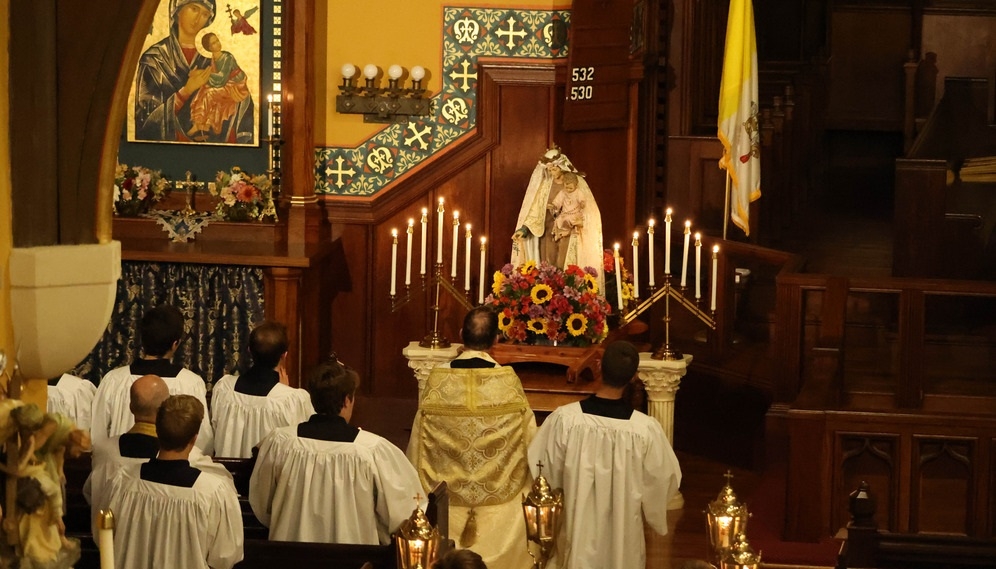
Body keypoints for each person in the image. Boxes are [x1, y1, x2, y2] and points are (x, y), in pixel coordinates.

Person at [527, 341, 682, 569]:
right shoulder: (645, 430)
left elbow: (542, 471)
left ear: (599, 368)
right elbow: (664, 481)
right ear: (633, 378)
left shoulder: (566, 420)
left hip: (576, 526)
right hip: (624, 534)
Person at [407, 306, 536, 569]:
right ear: (497, 340)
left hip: (447, 512)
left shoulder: (438, 382)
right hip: (500, 516)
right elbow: (530, 442)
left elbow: (418, 446)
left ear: (460, 335)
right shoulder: (508, 383)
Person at [249, 356, 423, 544]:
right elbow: (406, 516)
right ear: (348, 400)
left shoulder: (280, 442)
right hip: (354, 559)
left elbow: (262, 502)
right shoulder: (373, 450)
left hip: (291, 556)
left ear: (313, 398)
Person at [100, 395, 243, 569]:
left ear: (157, 431)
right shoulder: (213, 492)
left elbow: (102, 536)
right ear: (194, 438)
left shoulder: (122, 481)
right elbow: (224, 557)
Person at [85, 374, 229, 509]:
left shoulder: (103, 451)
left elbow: (93, 496)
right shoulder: (188, 455)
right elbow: (225, 492)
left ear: (131, 407)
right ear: (164, 410)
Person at [90, 304, 214, 455]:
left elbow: (96, 437)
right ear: (175, 344)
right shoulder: (190, 383)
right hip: (169, 475)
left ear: (143, 340)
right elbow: (202, 441)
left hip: (116, 469)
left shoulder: (113, 380)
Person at [134, 0, 254, 144]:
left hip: (215, 150)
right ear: (177, 11)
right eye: (194, 9)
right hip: (168, 153)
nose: (198, 19)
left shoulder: (215, 58)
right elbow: (144, 123)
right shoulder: (154, 59)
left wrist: (238, 97)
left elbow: (240, 95)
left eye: (204, 14)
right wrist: (186, 91)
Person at [211, 320, 314, 458]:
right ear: (284, 355)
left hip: (226, 475)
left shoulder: (224, 388)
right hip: (265, 479)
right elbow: (300, 448)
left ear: (249, 350)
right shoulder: (292, 399)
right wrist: (284, 391)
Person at [512, 147, 604, 291]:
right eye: (549, 169)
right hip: (547, 232)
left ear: (561, 166)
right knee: (548, 266)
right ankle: (550, 298)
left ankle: (568, 296)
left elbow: (589, 211)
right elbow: (534, 210)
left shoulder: (576, 184)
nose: (551, 172)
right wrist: (524, 229)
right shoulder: (544, 186)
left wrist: (580, 220)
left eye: (554, 169)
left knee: (565, 265)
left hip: (569, 232)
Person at [187, 32, 252, 140]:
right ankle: (203, 125)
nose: (217, 44)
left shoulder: (227, 57)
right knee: (203, 90)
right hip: (226, 84)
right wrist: (199, 74)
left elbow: (221, 78)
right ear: (208, 48)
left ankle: (199, 123)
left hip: (236, 85)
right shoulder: (214, 58)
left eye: (217, 40)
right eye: (213, 43)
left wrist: (199, 73)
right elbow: (214, 76)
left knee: (209, 93)